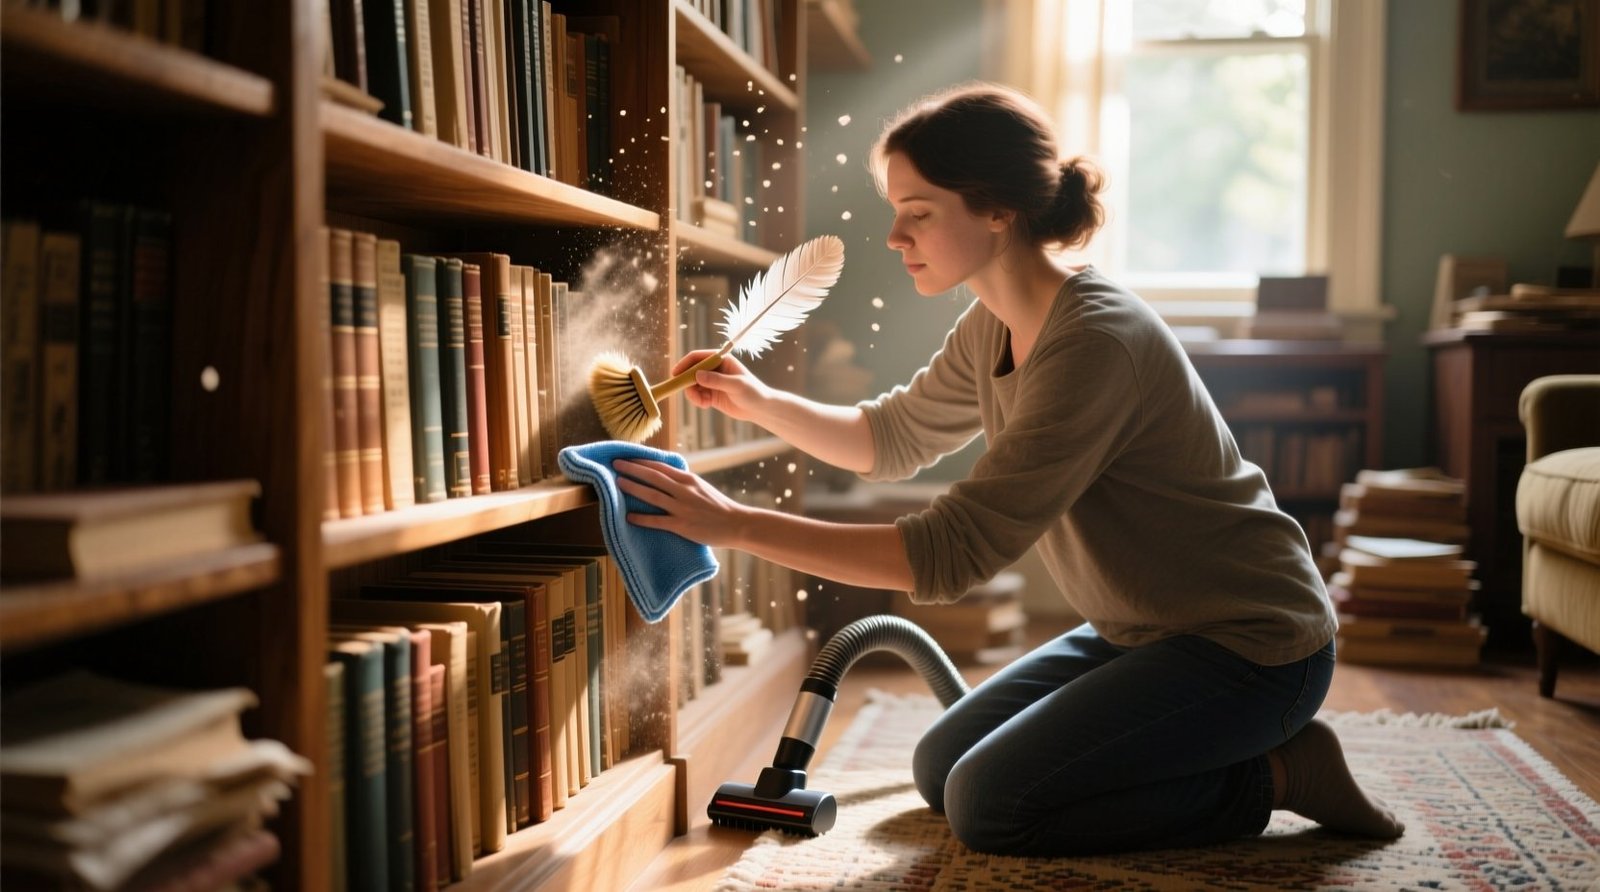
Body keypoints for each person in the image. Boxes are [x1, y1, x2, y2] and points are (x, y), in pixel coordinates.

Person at [611, 82, 1404, 856]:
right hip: (1141, 631)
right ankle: (1218, 752)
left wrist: (735, 524)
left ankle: (1280, 772)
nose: (895, 237)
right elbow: (891, 436)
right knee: (939, 769)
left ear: (999, 209)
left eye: (918, 214)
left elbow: (954, 552)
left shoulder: (1096, 342)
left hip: (1252, 645)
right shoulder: (991, 322)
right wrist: (760, 403)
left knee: (991, 807)